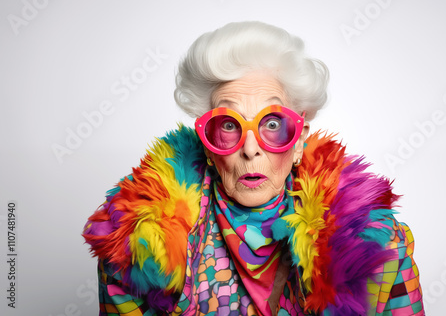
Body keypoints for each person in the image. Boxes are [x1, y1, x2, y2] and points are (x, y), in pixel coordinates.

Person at [83, 21, 424, 316]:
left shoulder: (376, 245)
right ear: (206, 141)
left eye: (272, 123)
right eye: (229, 125)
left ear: (299, 140)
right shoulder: (136, 245)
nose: (249, 148)